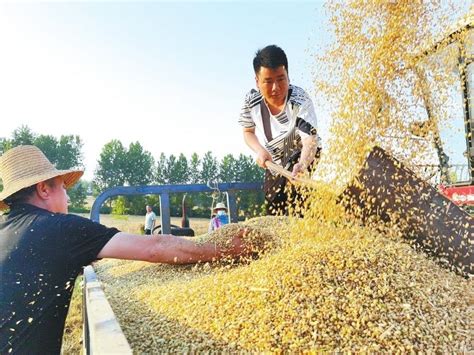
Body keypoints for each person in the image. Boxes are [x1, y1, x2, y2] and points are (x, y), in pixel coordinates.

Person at [0, 145, 248, 354]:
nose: (68, 197)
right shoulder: (60, 228)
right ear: (44, 189)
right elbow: (156, 247)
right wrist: (226, 248)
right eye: (63, 187)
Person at [238, 44, 322, 215]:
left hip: (304, 153)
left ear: (288, 76)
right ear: (257, 81)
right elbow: (248, 132)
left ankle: (307, 230)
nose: (275, 87)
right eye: (268, 81)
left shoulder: (300, 100)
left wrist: (303, 164)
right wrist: (260, 150)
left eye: (281, 79)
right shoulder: (251, 101)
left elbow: (309, 141)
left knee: (297, 195)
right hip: (274, 158)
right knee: (273, 202)